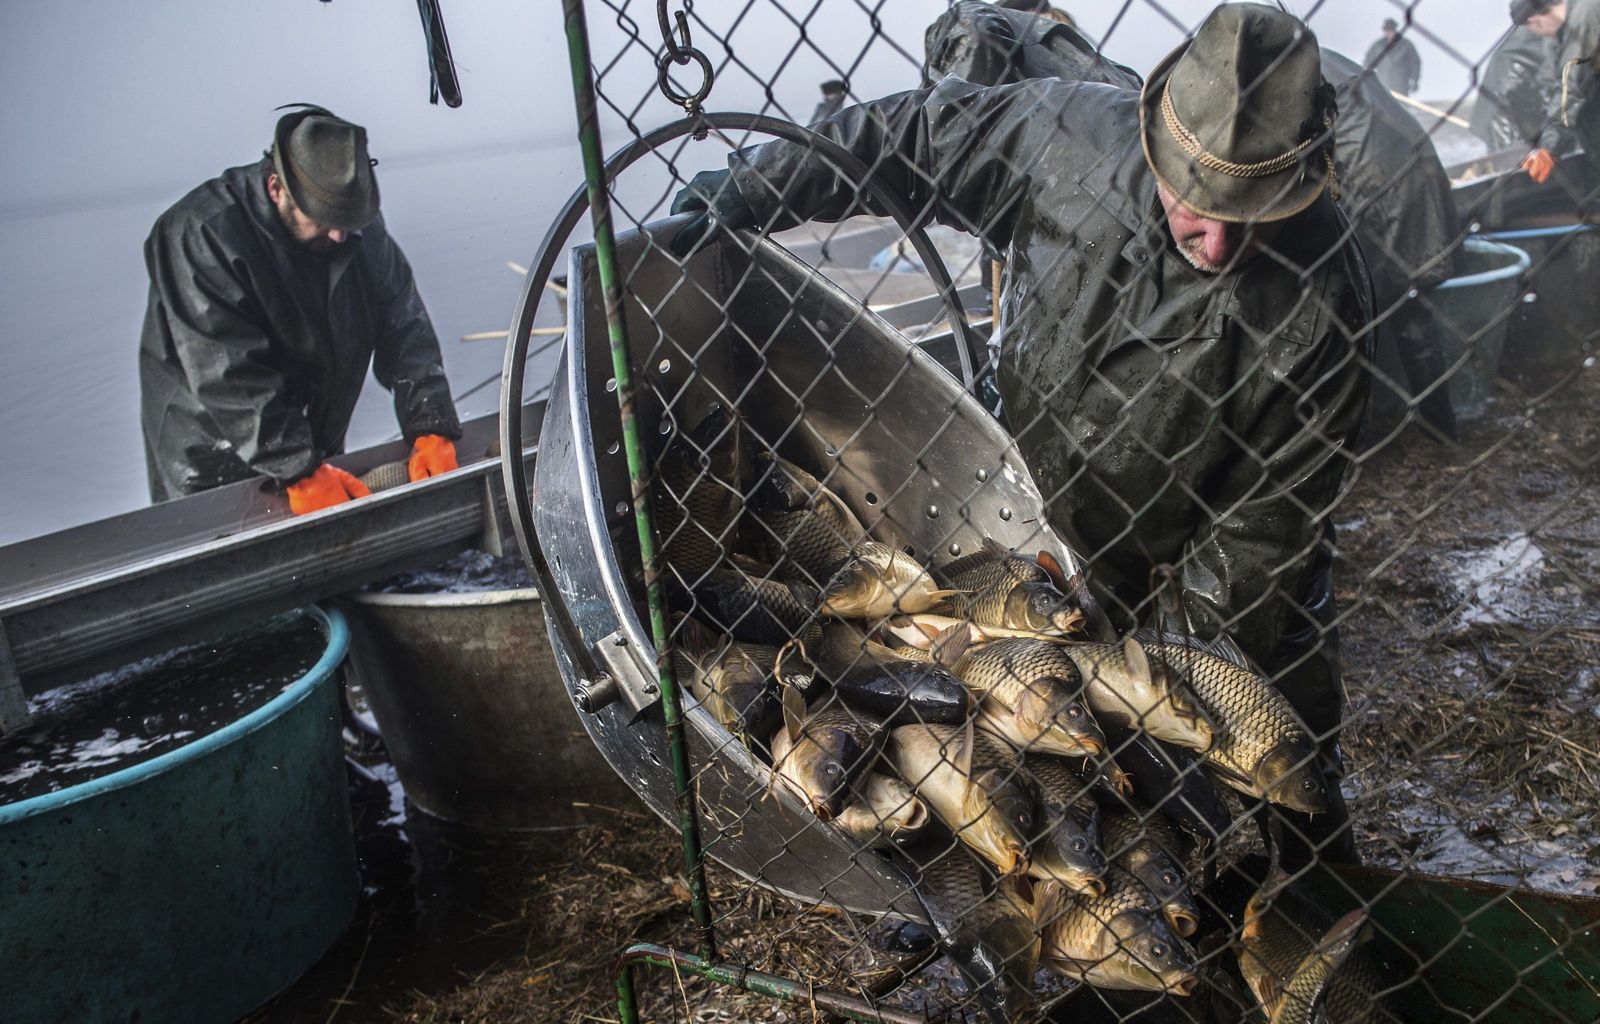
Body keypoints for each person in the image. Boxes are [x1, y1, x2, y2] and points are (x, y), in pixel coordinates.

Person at [672, 4, 1371, 862]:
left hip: (1216, 560)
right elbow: (909, 136)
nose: (1218, 242)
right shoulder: (1064, 131)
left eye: (1250, 212)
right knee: (1067, 786)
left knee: (1269, 769)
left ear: (1303, 183)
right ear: (1156, 141)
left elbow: (1261, 534)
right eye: (1192, 201)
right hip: (1043, 505)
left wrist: (1165, 680)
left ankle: (1310, 906)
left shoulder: (1325, 299)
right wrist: (756, 185)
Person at [139, 105, 462, 514]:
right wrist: (296, 466)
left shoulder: (352, 226)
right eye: (325, 220)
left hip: (308, 440)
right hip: (211, 450)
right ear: (277, 188)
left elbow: (405, 327)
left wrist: (430, 425)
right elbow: (230, 372)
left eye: (349, 221)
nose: (339, 234)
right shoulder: (199, 235)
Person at [1510, 0, 1600, 183]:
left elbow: (1572, 86)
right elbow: (1553, 82)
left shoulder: (1585, 15)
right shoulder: (1566, 24)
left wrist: (1549, 147)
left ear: (1537, 21)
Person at [1471, 25, 1559, 152]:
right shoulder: (1548, 34)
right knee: (1513, 158)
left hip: (1504, 102)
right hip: (1511, 111)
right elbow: (1553, 86)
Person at [1364, 17, 1422, 97]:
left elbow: (1415, 63)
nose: (1389, 33)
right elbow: (1368, 62)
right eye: (1387, 31)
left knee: (1400, 105)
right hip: (1383, 84)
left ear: (1395, 30)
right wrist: (1366, 78)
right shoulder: (1378, 46)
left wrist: (1415, 80)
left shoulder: (1406, 45)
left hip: (1401, 85)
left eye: (1391, 30)